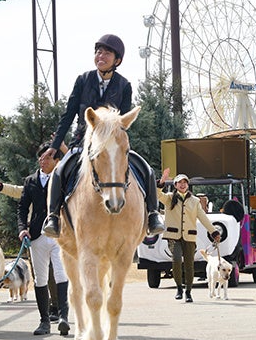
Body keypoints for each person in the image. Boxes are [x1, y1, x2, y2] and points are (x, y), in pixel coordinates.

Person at [40, 34, 165, 238]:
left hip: (112, 144)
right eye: (98, 51)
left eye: (107, 52)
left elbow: (123, 121)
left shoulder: (124, 85)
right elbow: (69, 114)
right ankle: (53, 217)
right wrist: (55, 145)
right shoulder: (83, 80)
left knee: (147, 170)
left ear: (117, 60)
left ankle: (152, 214)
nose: (101, 55)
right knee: (59, 171)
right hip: (82, 143)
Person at [16, 144, 70, 336]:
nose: (42, 160)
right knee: (40, 278)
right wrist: (23, 229)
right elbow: (22, 208)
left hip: (60, 235)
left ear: (57, 161)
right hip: (37, 235)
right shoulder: (30, 181)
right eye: (41, 158)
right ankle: (44, 321)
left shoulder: (64, 179)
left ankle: (64, 316)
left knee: (61, 274)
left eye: (47, 157)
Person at [157, 170, 221, 303]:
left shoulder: (195, 201)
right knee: (176, 260)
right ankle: (179, 288)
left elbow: (203, 218)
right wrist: (161, 182)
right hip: (173, 236)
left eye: (185, 182)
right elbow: (157, 195)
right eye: (180, 182)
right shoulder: (169, 198)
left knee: (189, 265)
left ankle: (188, 292)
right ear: (175, 185)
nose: (182, 185)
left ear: (188, 185)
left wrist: (213, 231)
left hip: (189, 237)